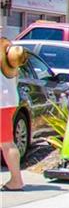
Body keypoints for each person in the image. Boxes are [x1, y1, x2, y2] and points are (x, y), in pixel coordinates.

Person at [1, 39, 26, 191]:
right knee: (5, 142)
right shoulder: (10, 57)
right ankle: (16, 180)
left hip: (1, 103)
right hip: (9, 100)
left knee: (6, 143)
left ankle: (16, 180)